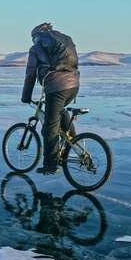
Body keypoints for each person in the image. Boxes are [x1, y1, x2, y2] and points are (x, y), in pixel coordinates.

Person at [22, 23, 80, 175]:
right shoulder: (60, 42)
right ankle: (73, 142)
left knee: (49, 128)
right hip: (74, 85)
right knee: (59, 111)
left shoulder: (35, 48)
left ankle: (51, 164)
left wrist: (26, 96)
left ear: (36, 37)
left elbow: (30, 74)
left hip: (57, 87)